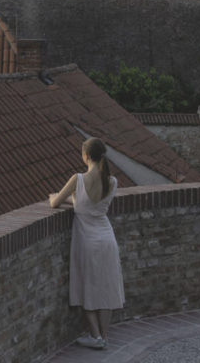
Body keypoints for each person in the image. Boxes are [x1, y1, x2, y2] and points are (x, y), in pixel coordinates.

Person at [49, 137, 125, 351]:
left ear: (86, 156)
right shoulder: (113, 181)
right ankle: (105, 335)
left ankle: (95, 335)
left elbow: (55, 203)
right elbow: (94, 204)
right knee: (107, 288)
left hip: (86, 240)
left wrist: (59, 198)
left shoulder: (78, 179)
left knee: (87, 287)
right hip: (107, 239)